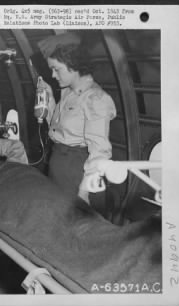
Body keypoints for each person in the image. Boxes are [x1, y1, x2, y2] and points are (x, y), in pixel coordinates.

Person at [0, 139, 161, 293]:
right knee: (59, 234)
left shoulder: (15, 161)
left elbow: (14, 144)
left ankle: (140, 245)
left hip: (46, 192)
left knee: (83, 224)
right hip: (15, 199)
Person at [35, 32, 117, 205]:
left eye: (56, 69)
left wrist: (84, 192)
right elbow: (58, 130)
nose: (53, 75)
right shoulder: (67, 93)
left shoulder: (96, 98)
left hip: (77, 175)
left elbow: (99, 152)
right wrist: (49, 100)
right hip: (58, 169)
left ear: (72, 64)